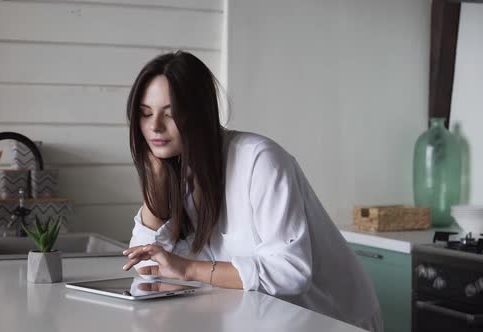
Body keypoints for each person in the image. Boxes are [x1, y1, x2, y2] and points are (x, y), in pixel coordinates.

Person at [121, 51, 382, 332]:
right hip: (261, 318)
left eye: (169, 115)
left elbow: (290, 271)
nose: (154, 127)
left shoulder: (259, 160)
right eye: (145, 114)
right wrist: (155, 180)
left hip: (332, 319)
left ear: (198, 115)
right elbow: (146, 265)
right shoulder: (176, 168)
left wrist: (187, 268)